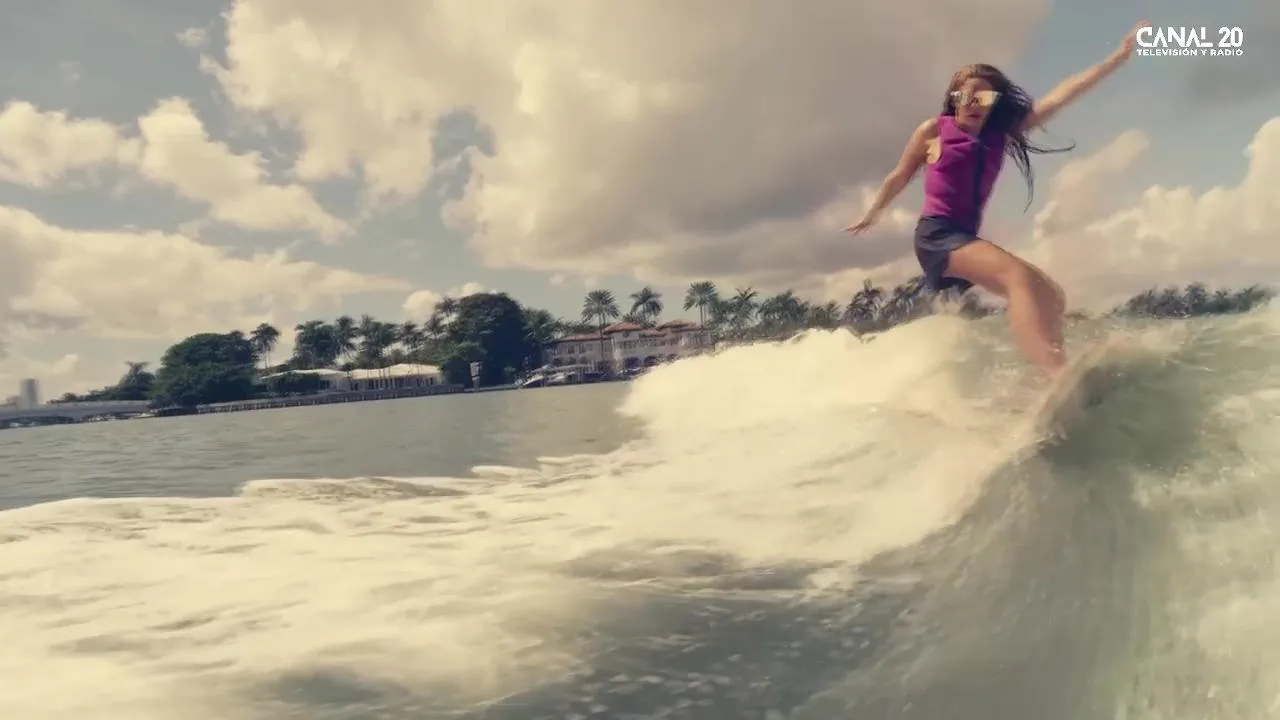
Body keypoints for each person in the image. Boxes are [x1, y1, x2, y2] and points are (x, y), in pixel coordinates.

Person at [845, 23, 1148, 380]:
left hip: (965, 238)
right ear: (955, 98)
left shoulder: (1000, 135)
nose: (976, 103)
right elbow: (900, 175)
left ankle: (1052, 369)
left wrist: (1118, 58)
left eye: (986, 98)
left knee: (1052, 296)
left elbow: (1061, 96)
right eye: (969, 95)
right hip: (936, 236)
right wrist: (873, 212)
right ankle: (1056, 372)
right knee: (1017, 278)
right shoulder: (933, 131)